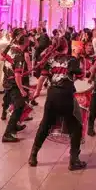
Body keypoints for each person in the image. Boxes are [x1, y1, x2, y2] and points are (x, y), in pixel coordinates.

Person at [27, 37, 88, 170]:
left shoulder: (50, 60)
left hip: (52, 96)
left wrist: (37, 92)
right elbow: (81, 76)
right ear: (66, 47)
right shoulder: (72, 60)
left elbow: (42, 78)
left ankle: (33, 155)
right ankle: (74, 160)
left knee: (44, 125)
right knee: (76, 126)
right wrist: (82, 60)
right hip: (66, 97)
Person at [0, 33, 30, 142]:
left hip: (7, 80)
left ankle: (14, 125)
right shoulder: (19, 55)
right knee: (19, 106)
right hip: (13, 83)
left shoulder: (11, 49)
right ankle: (7, 134)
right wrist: (21, 89)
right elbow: (17, 74)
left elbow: (2, 58)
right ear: (26, 43)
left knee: (17, 104)